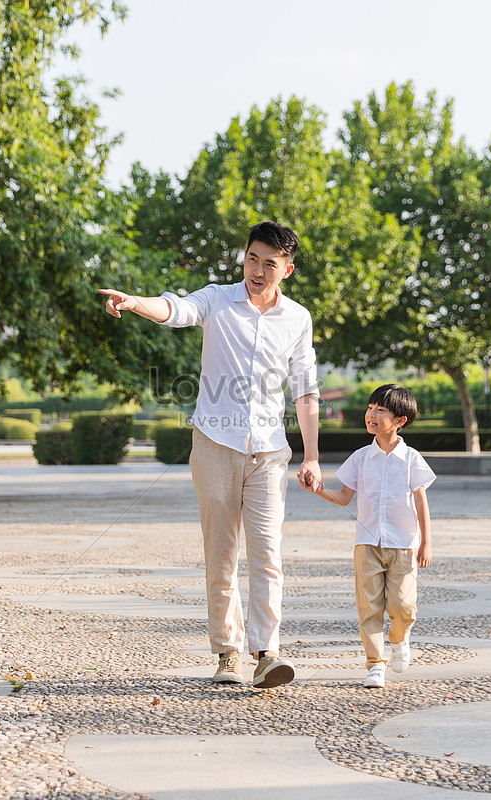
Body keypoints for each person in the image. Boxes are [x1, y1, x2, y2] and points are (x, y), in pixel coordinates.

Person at [99, 221, 323, 689]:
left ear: (288, 269)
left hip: (268, 453)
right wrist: (135, 302)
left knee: (268, 554)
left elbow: (305, 391)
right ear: (244, 257)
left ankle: (267, 652)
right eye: (252, 258)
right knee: (221, 553)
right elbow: (176, 309)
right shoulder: (218, 299)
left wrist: (312, 456)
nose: (258, 270)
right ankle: (227, 653)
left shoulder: (297, 319)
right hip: (215, 447)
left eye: (270, 263)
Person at [305, 383, 435, 688]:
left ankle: (400, 640)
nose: (371, 415)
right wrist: (319, 489)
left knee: (403, 606)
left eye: (380, 410)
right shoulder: (361, 457)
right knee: (369, 606)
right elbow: (345, 497)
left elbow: (420, 500)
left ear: (400, 420)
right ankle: (375, 663)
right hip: (367, 544)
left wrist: (427, 542)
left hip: (404, 544)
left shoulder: (412, 458)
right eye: (369, 408)